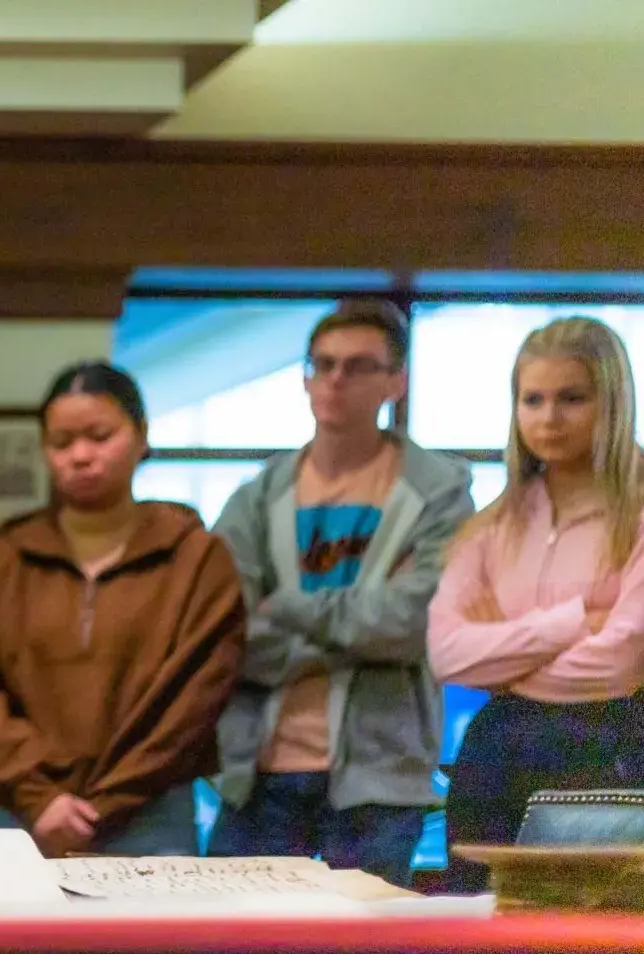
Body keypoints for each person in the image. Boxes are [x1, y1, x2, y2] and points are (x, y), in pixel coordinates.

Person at [209, 299, 474, 888]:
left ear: (395, 381)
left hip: (379, 779)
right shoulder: (256, 498)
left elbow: (414, 622)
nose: (334, 379)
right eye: (322, 364)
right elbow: (225, 631)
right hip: (258, 774)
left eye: (357, 366)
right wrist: (360, 626)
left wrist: (290, 609)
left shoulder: (437, 493)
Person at [0, 361, 246, 858]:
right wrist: (39, 797)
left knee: (150, 940)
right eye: (61, 443)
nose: (81, 456)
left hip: (150, 815)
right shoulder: (6, 557)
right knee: (11, 940)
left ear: (141, 434)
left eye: (100, 435)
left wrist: (104, 805)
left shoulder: (195, 556)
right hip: (23, 813)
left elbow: (194, 699)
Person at [428, 316, 644, 893]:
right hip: (496, 754)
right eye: (533, 399)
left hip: (613, 750)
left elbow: (618, 662)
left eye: (572, 398)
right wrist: (573, 621)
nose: (549, 418)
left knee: (596, 925)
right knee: (479, 918)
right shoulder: (492, 524)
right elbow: (448, 655)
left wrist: (508, 655)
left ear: (613, 402)